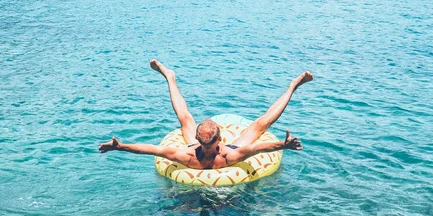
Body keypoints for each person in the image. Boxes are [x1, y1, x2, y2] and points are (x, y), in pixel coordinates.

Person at [98, 60, 313, 170]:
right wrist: (282, 146)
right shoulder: (231, 154)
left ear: (197, 140)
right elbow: (258, 147)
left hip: (200, 155)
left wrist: (121, 147)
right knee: (261, 123)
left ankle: (170, 77)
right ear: (221, 139)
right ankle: (292, 87)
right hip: (220, 155)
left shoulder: (187, 156)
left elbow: (154, 149)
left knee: (184, 117)